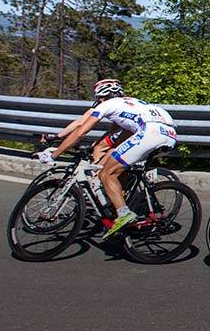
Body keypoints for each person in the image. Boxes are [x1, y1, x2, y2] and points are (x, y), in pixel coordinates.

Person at [37, 79, 177, 238]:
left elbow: (80, 131)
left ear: (101, 97)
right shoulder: (131, 102)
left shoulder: (106, 105)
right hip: (169, 133)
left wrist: (54, 154)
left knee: (106, 174)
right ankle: (122, 203)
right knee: (117, 165)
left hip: (149, 132)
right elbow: (118, 139)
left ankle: (124, 213)